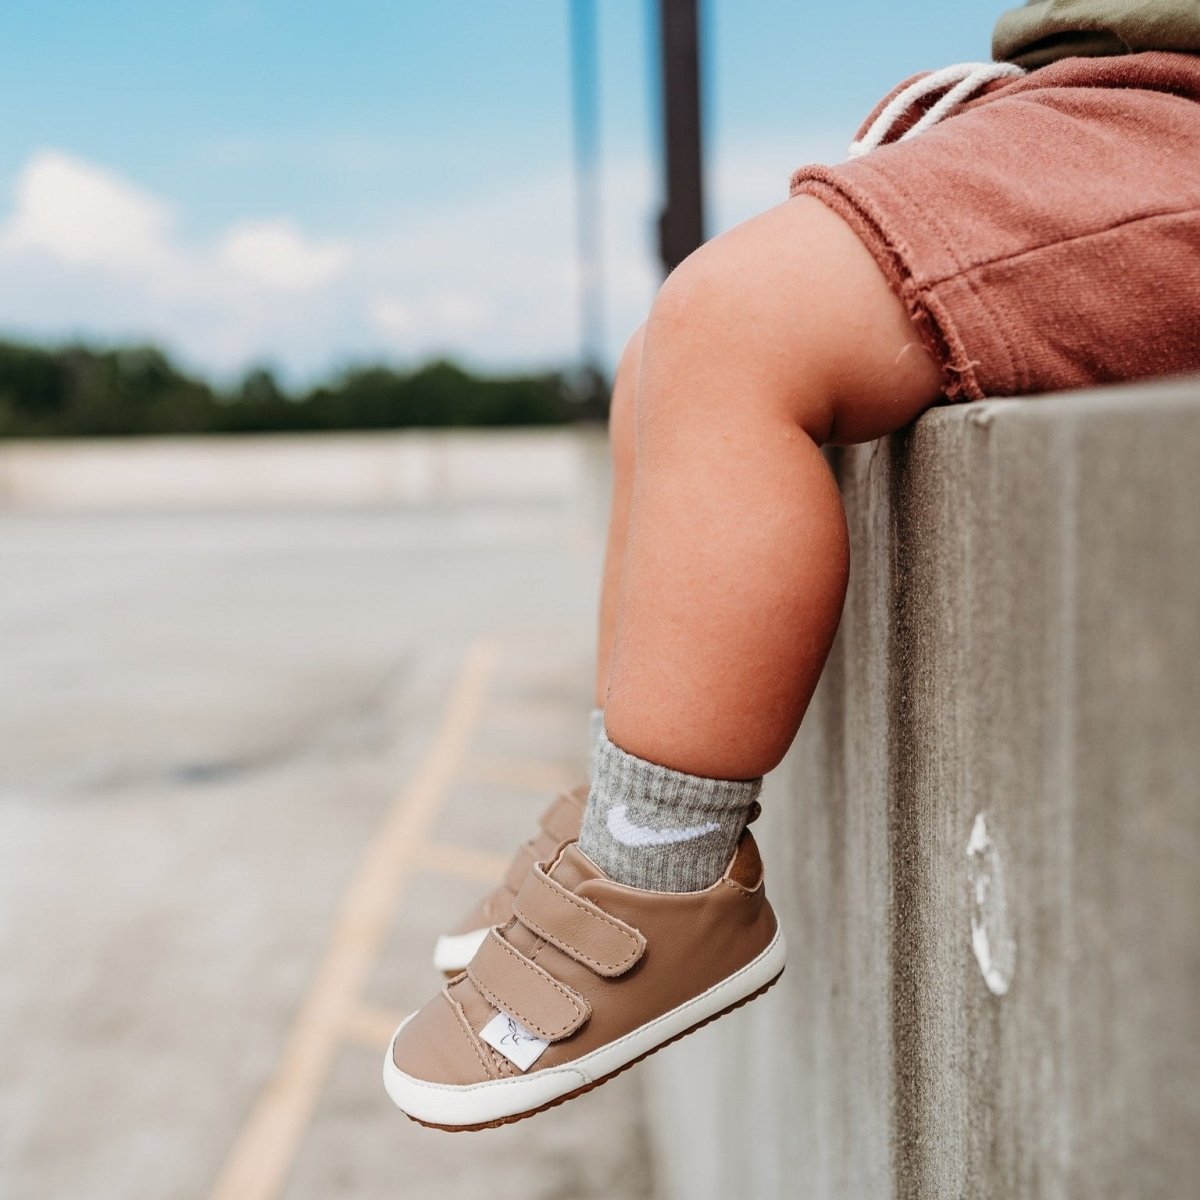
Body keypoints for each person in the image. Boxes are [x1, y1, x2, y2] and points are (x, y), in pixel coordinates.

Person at [385, 0, 1200, 1129]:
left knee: (733, 326)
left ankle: (658, 873)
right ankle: (620, 812)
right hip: (1090, 100)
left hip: (1172, 112)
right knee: (661, 357)